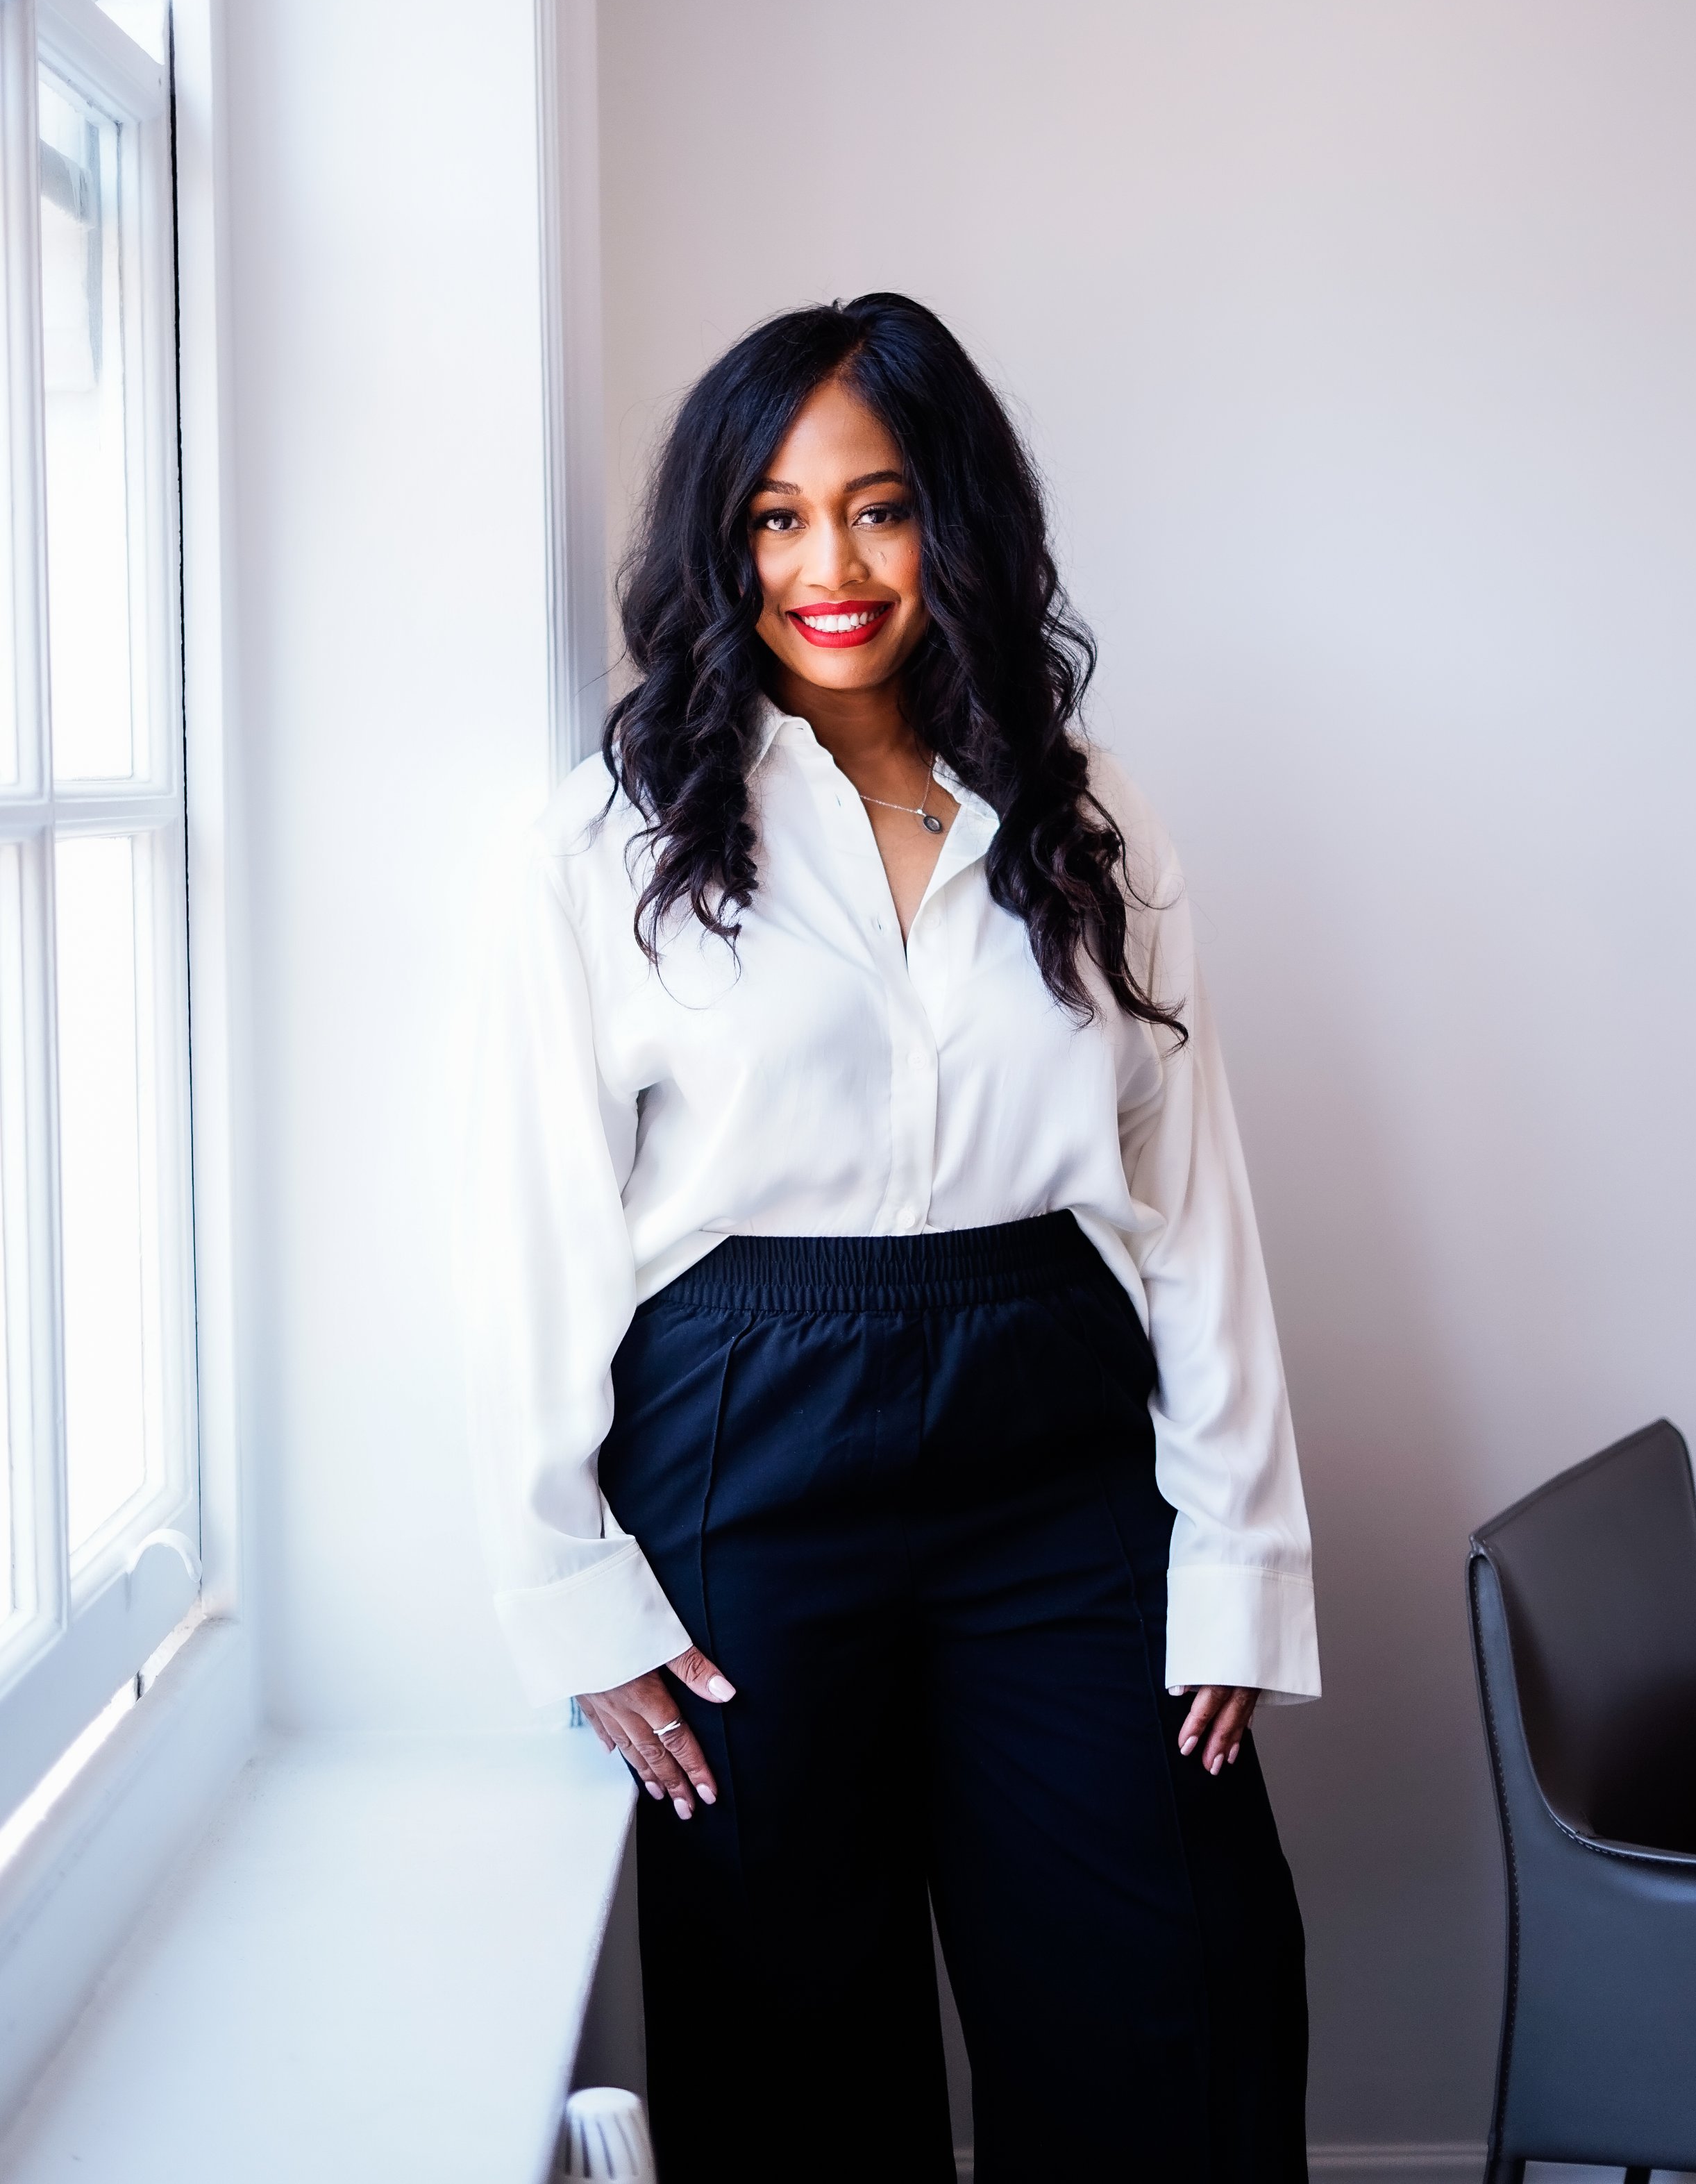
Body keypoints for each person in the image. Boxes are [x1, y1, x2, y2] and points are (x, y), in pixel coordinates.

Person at [463, 294, 1319, 2183]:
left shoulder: (1089, 817)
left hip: (1058, 1440)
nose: (826, 565)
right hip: (742, 1447)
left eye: (876, 506)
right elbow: (542, 1220)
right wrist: (565, 1581)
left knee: (1167, 1984)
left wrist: (1241, 1547)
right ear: (719, 544)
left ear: (957, 521)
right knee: (789, 2038)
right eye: (773, 516)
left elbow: (1185, 1205)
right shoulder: (610, 841)